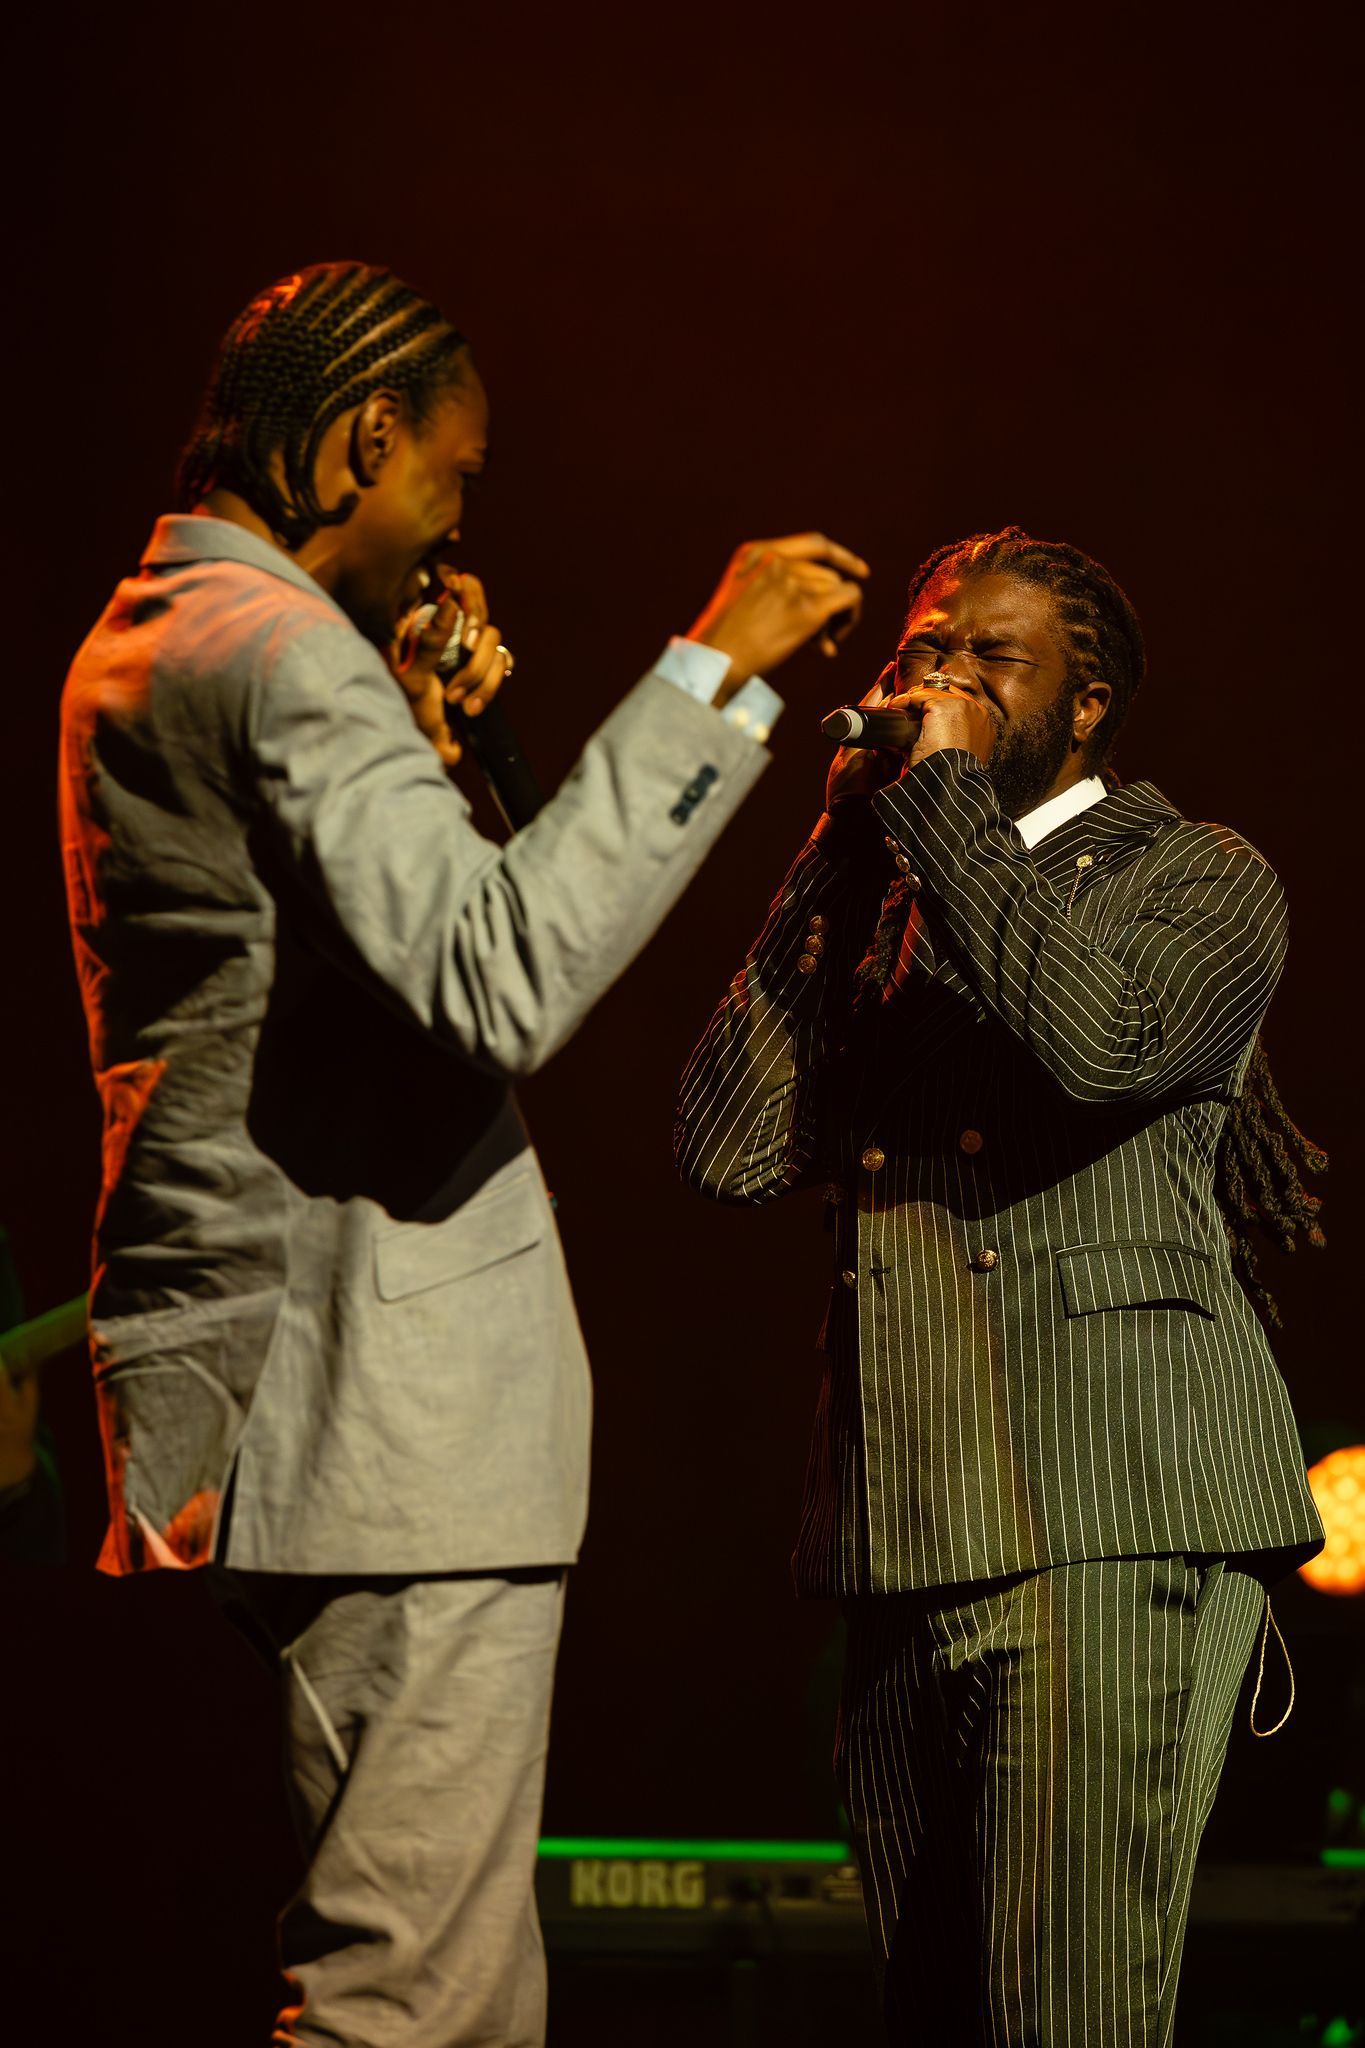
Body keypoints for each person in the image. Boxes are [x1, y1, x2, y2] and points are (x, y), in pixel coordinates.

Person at [58, 259, 868, 2048]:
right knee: (413, 2007)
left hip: (294, 1400)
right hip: (388, 1418)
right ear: (362, 440)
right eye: (455, 475)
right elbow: (497, 977)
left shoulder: (172, 628)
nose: (454, 520)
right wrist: (709, 668)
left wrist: (422, 733)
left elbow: (352, 973)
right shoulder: (272, 656)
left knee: (451, 1996)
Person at [674, 527, 1327, 2047]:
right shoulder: (893, 889)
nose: (941, 679)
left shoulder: (1198, 873)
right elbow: (720, 1150)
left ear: (1084, 705)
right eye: (922, 654)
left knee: (1066, 2016)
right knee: (936, 2016)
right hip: (905, 1526)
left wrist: (944, 805)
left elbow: (1096, 1041)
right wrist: (833, 853)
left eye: (991, 659)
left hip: (1108, 1513)